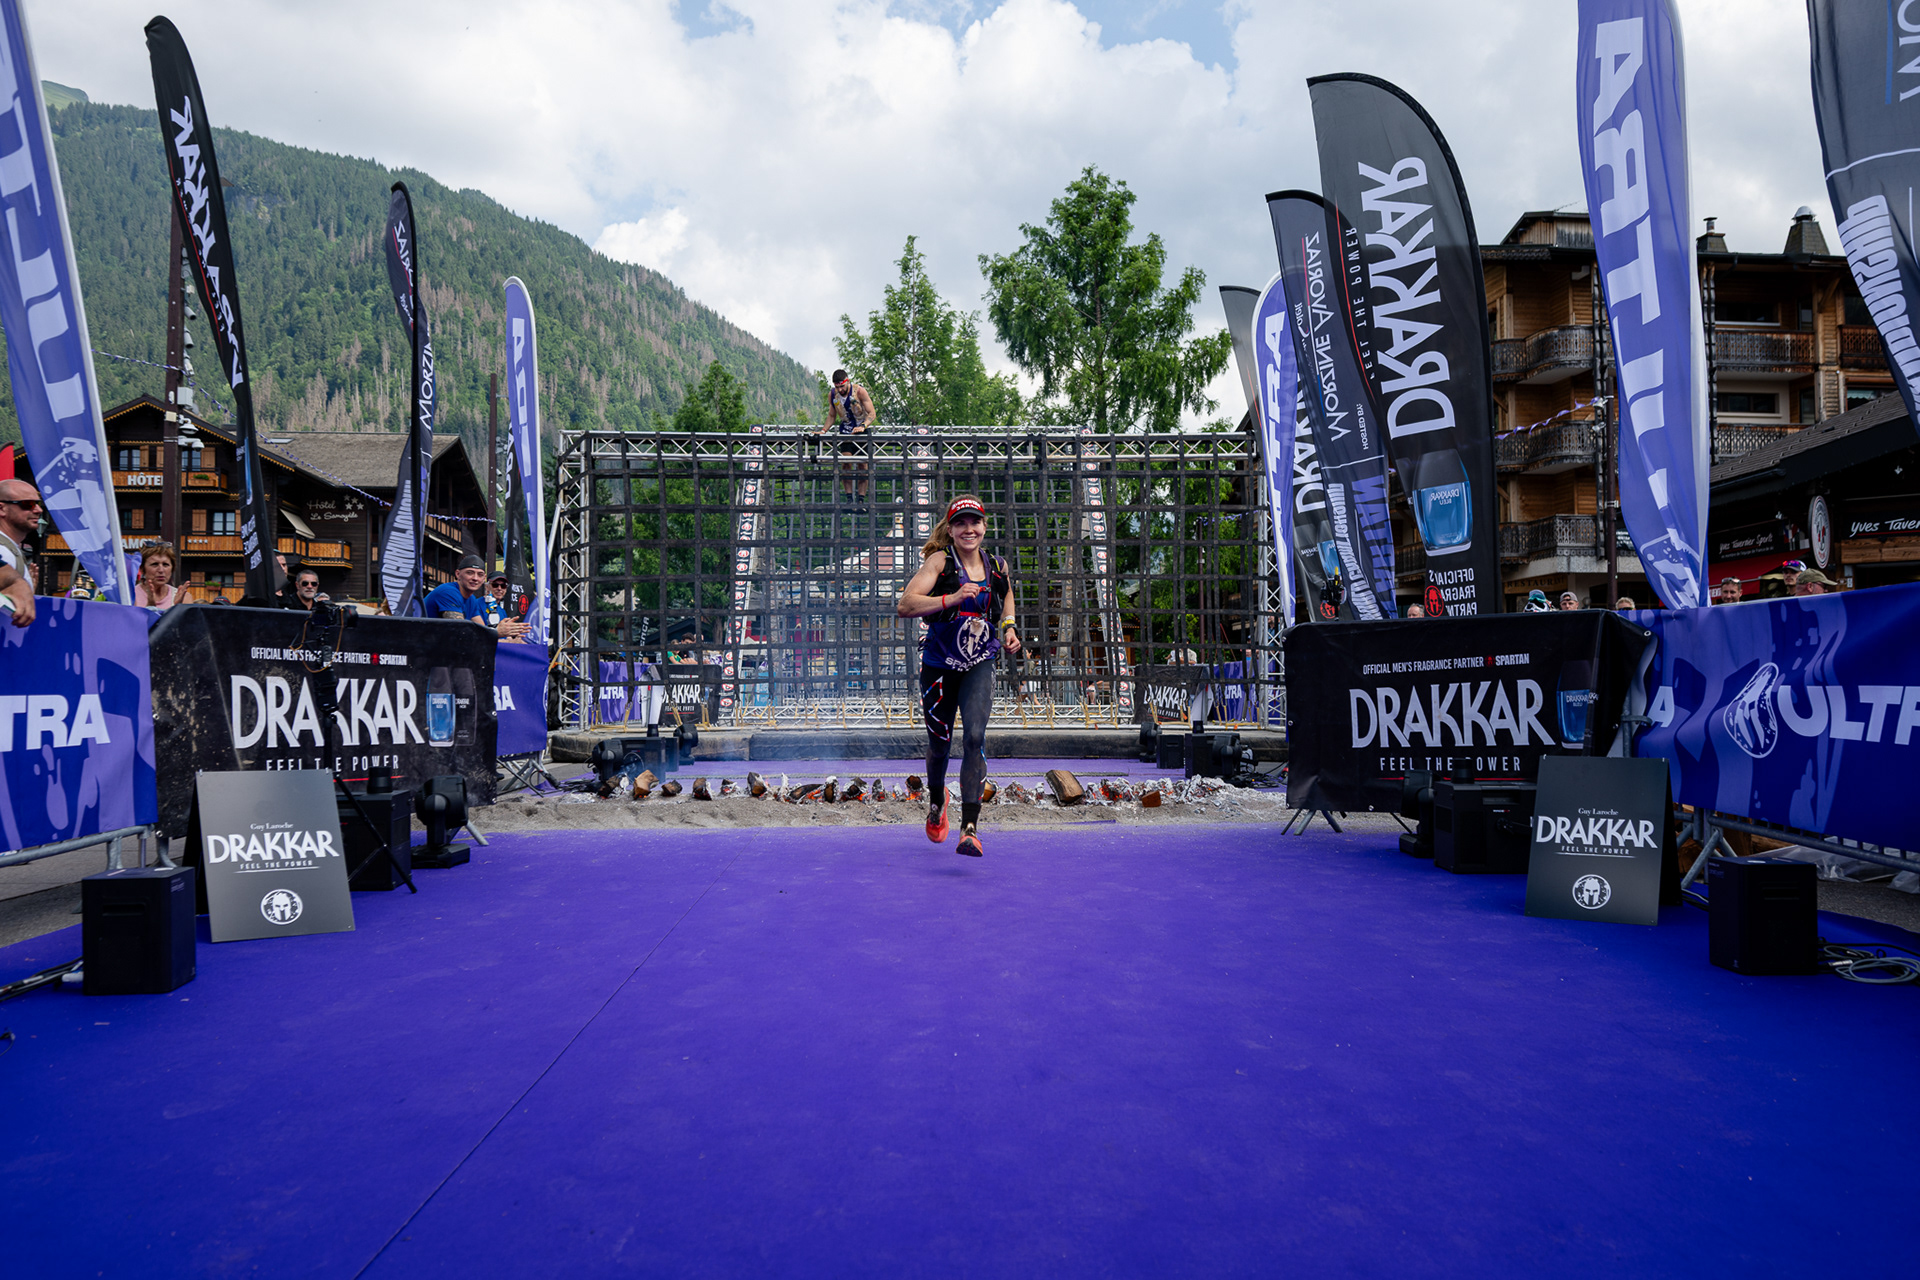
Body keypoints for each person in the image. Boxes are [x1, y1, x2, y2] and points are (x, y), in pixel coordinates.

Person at [897, 494, 1021, 858]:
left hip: (979, 663)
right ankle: (937, 801)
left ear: (984, 526)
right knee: (940, 744)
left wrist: (1009, 628)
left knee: (975, 738)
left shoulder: (997, 565)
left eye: (975, 522)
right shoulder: (940, 562)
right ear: (950, 530)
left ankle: (970, 828)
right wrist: (951, 598)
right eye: (961, 523)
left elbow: (1006, 595)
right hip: (939, 667)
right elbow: (906, 605)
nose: (969, 529)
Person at [424, 554, 530, 638]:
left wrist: (511, 636)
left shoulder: (471, 600)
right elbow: (459, 631)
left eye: (480, 574)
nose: (475, 578)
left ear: (483, 578)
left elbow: (482, 630)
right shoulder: (448, 592)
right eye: (470, 573)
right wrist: (496, 632)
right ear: (458, 574)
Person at [817, 369, 875, 509]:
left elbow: (872, 413)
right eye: (837, 387)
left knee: (862, 465)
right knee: (846, 463)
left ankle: (861, 500)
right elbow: (832, 415)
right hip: (846, 430)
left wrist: (863, 426)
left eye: (842, 386)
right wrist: (823, 431)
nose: (840, 390)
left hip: (861, 431)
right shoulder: (833, 394)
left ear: (847, 381)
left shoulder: (859, 391)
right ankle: (849, 498)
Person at [0, 478, 43, 626]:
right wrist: (16, 582)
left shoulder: (10, 549)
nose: (38, 510)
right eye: (28, 504)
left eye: (38, 503)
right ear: (1, 509)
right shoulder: (3, 550)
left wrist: (28, 590)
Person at [133, 543, 187, 610]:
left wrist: (177, 609)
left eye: (165, 564)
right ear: (142, 568)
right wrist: (150, 607)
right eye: (155, 564)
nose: (161, 570)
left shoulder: (183, 597)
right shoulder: (130, 596)